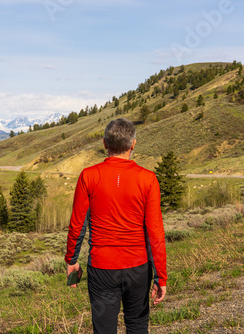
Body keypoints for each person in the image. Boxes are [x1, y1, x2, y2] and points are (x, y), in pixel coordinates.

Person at [65, 118, 167, 333]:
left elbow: (77, 224)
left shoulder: (88, 175)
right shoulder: (148, 179)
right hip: (138, 268)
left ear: (104, 143)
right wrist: (160, 276)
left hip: (102, 268)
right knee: (138, 326)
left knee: (103, 329)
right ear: (133, 144)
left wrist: (72, 261)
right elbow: (155, 232)